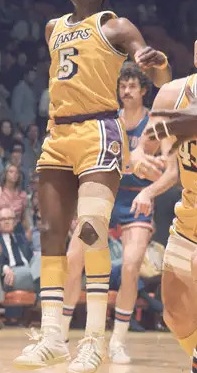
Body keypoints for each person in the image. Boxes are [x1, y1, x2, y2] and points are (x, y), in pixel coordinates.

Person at [13, 0, 171, 372]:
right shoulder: (53, 28)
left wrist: (147, 56)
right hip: (58, 133)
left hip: (98, 130)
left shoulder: (114, 26)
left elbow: (141, 55)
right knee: (50, 231)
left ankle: (95, 341)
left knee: (90, 230)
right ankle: (52, 338)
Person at [61, 62, 170, 364]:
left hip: (137, 199)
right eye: (122, 85)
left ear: (144, 90)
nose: (126, 90)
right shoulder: (109, 121)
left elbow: (170, 171)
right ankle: (61, 333)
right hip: (105, 197)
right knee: (73, 259)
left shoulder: (155, 125)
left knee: (132, 265)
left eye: (132, 85)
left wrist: (151, 188)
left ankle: (119, 340)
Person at [138, 39, 197, 373]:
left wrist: (166, 126)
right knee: (175, 315)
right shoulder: (172, 93)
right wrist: (141, 157)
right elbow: (143, 144)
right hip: (189, 215)